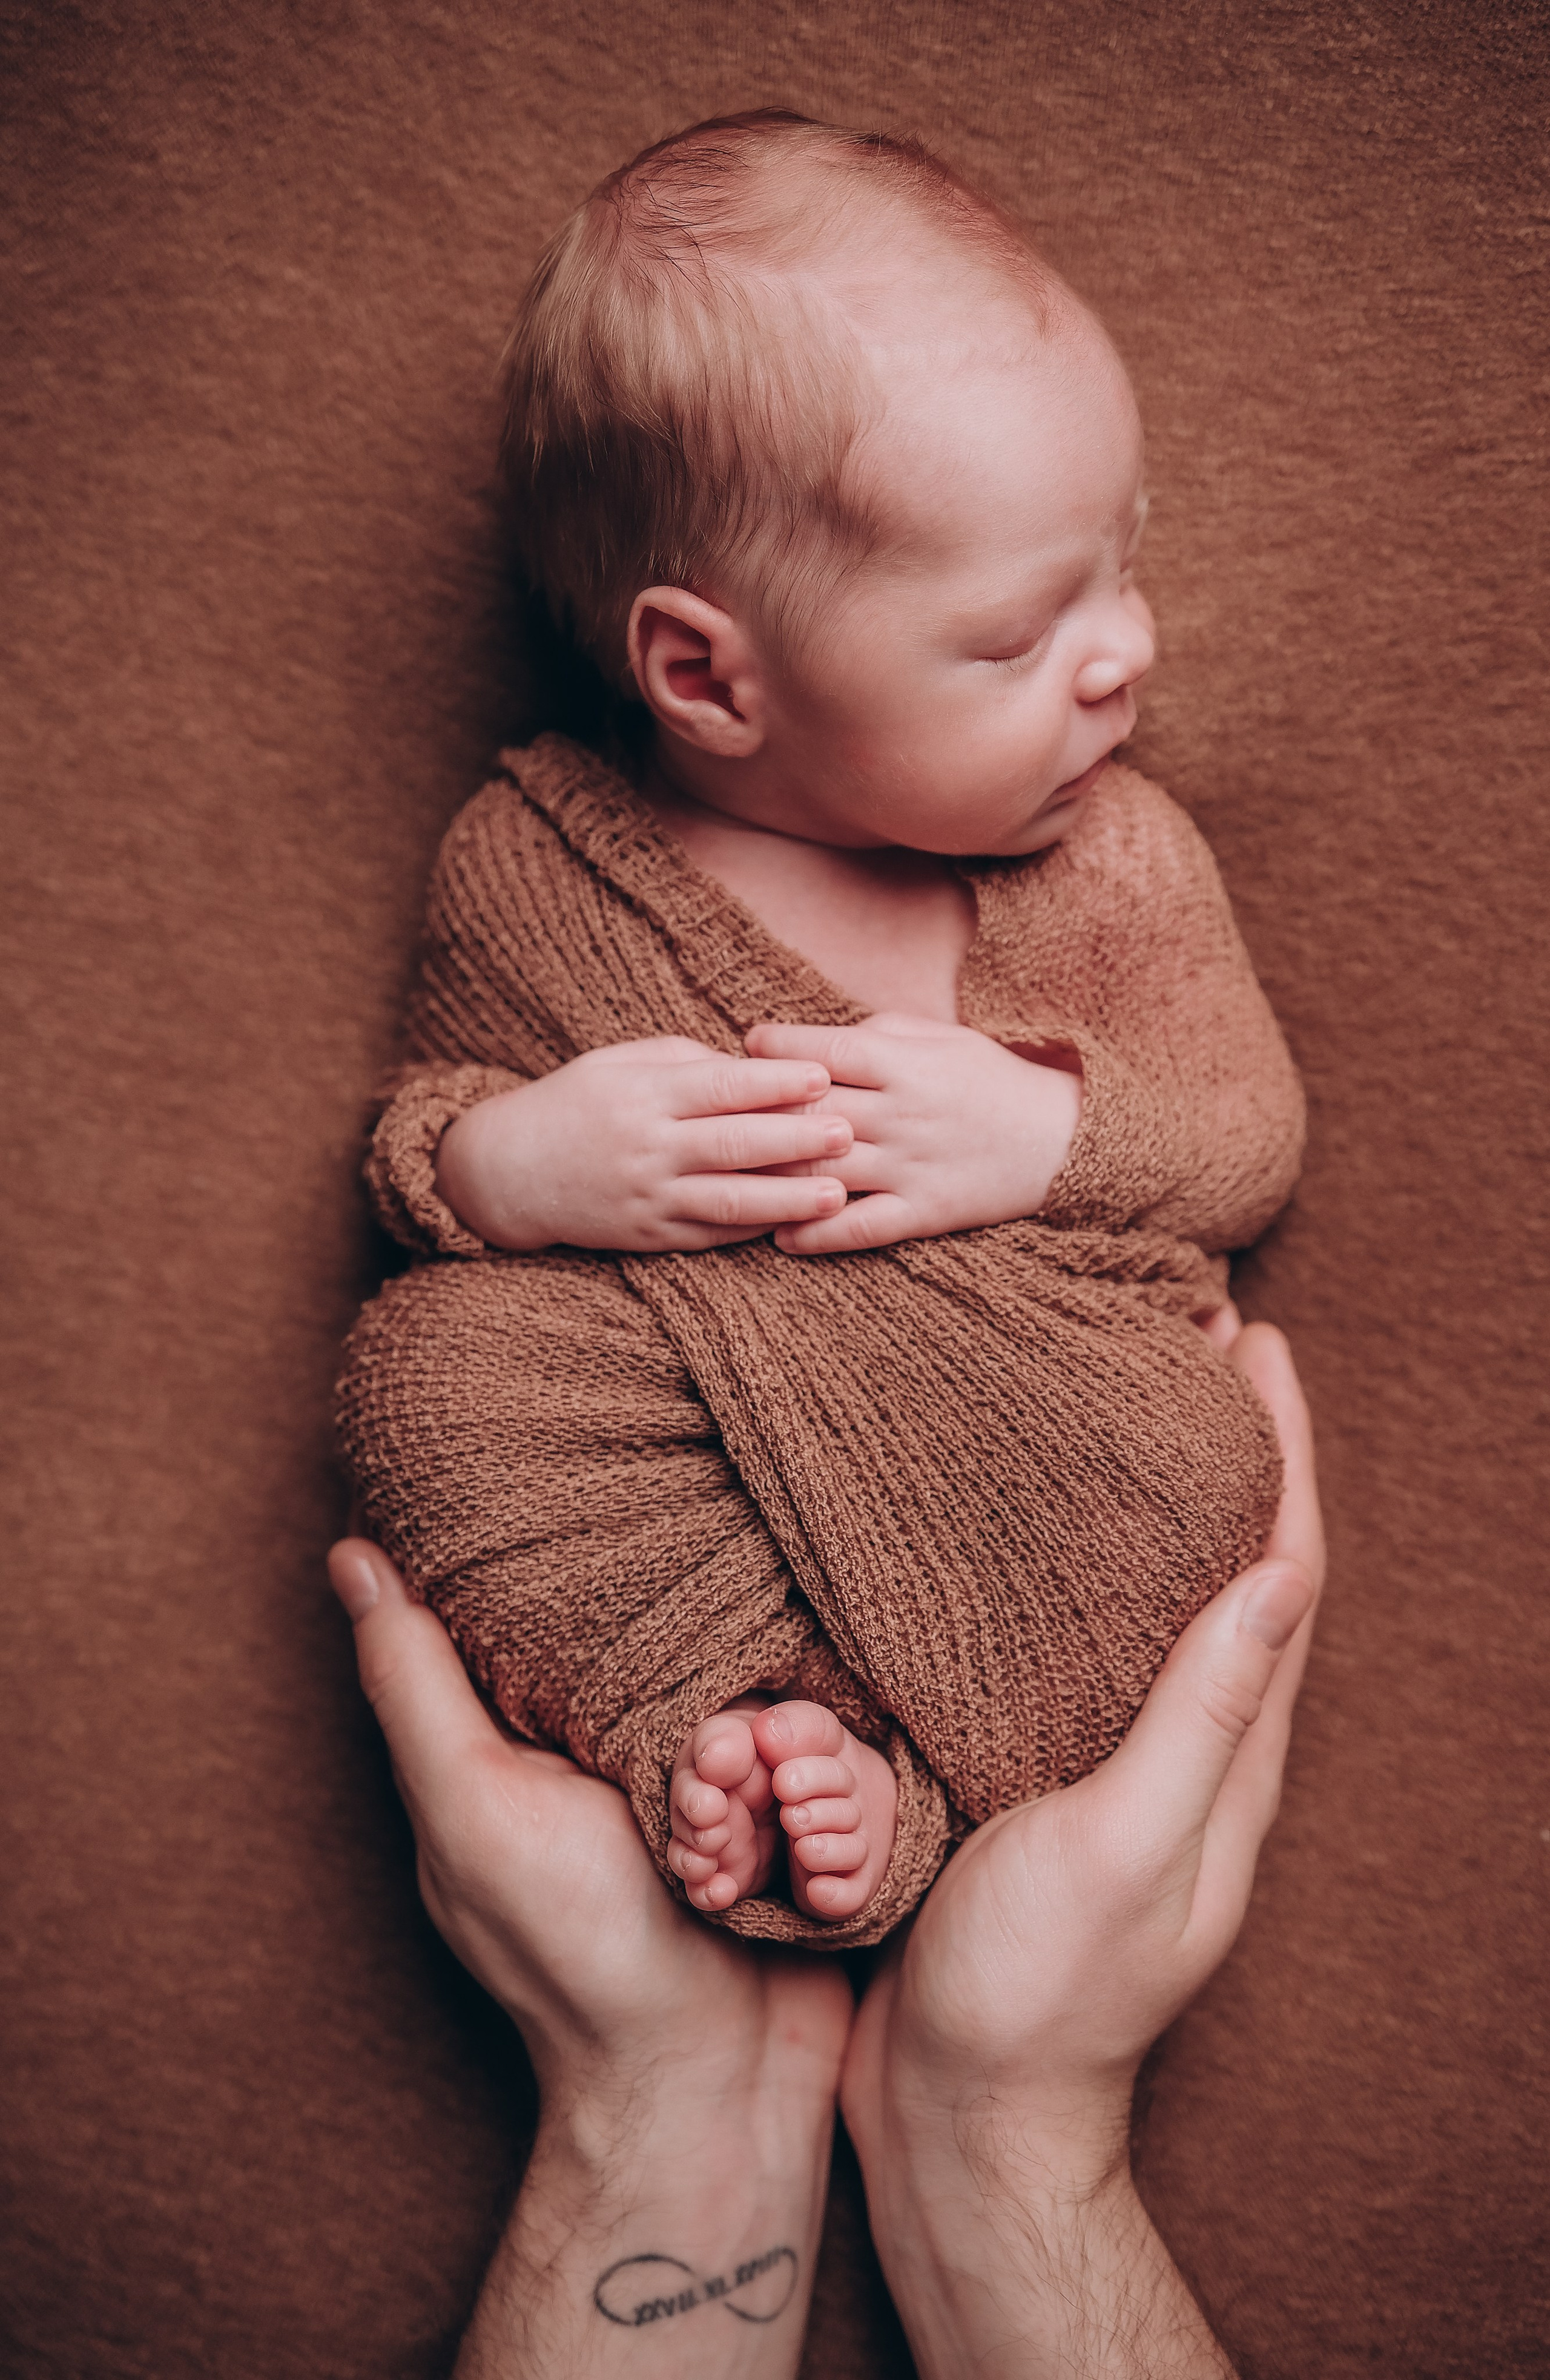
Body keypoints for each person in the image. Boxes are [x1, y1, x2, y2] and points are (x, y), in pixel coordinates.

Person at [335, 109, 1307, 1950]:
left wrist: (1047, 1137)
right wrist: (515, 1164)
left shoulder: (1112, 861)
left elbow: (1244, 1133)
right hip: (673, 1421)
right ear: (705, 673)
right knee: (430, 1386)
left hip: (1037, 1430)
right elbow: (418, 1137)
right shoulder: (535, 859)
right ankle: (724, 1735)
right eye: (1021, 632)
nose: (1125, 649)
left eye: (1123, 558)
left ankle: (902, 1793)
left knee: (1205, 1466)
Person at [329, 1318, 1322, 2376]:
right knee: (426, 1384)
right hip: (667, 1449)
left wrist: (667, 2085)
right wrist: (1003, 2104)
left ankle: (865, 1781)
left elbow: (1225, 1155)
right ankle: (803, 1761)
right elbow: (416, 1165)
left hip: (965, 1460)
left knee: (1190, 1472)